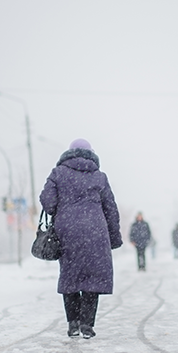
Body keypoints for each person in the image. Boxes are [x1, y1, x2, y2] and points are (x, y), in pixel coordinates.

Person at [39, 138, 122, 339]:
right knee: (93, 278)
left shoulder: (58, 173)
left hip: (67, 231)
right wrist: (114, 237)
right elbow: (111, 209)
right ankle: (87, 325)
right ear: (91, 153)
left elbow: (47, 202)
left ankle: (73, 323)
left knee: (70, 276)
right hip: (95, 231)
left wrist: (60, 210)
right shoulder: (99, 177)